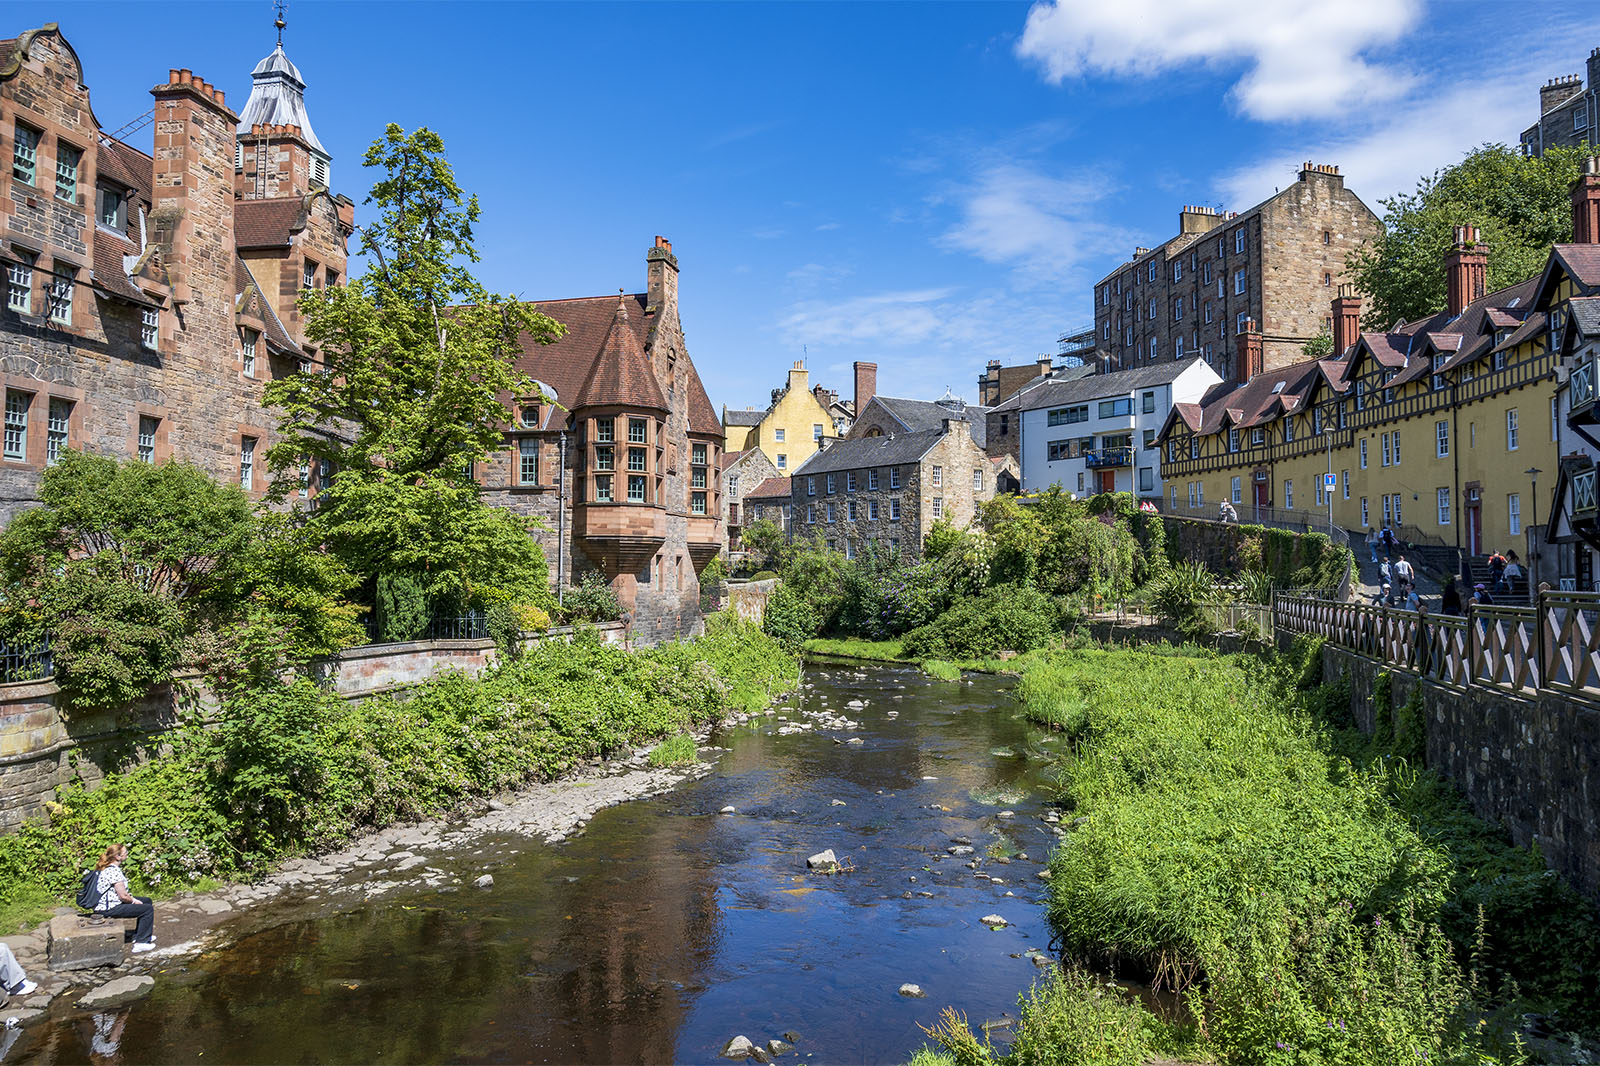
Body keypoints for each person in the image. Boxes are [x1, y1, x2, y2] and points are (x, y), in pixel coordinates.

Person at [90, 844, 156, 952]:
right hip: (108, 908)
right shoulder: (114, 871)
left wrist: (134, 900)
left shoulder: (107, 867)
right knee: (147, 909)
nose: (127, 854)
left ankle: (140, 934)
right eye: (125, 853)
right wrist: (134, 900)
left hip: (111, 902)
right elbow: (123, 896)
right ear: (118, 857)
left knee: (147, 901)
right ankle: (141, 943)